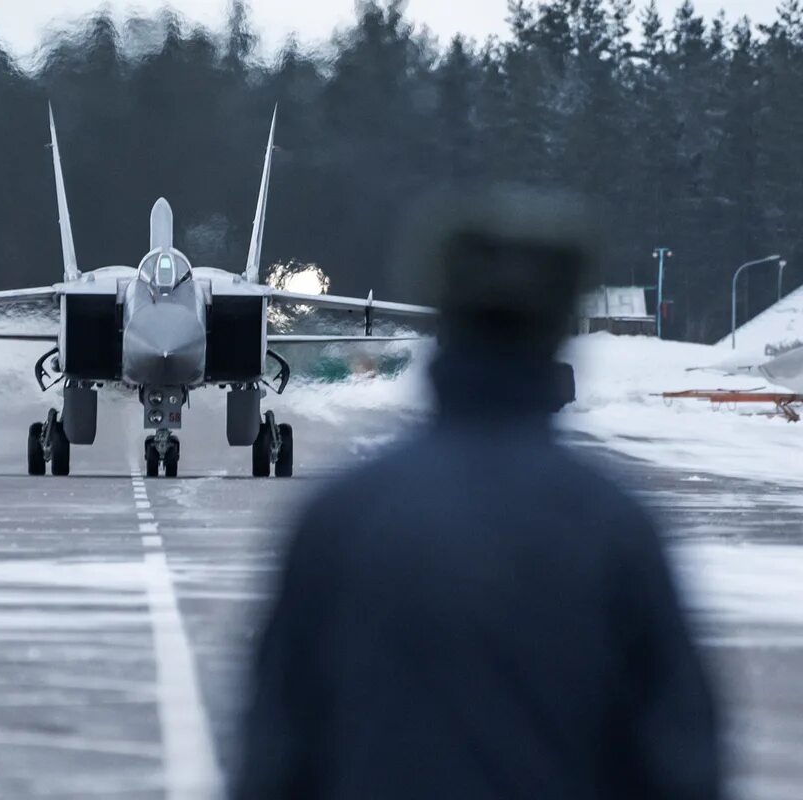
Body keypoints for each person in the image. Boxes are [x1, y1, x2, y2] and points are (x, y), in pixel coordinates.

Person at [233, 187, 722, 799]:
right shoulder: (616, 526)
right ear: (559, 322)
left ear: (442, 309)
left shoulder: (344, 516)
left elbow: (276, 753)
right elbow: (680, 763)